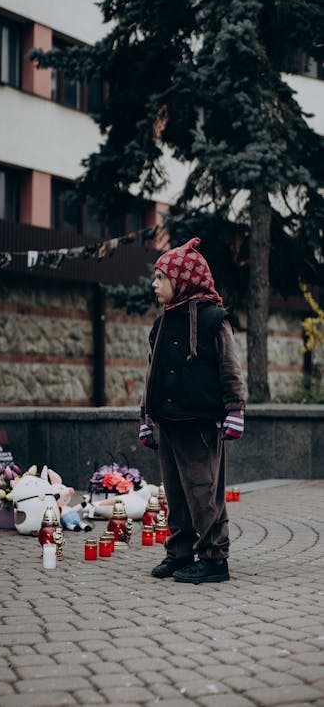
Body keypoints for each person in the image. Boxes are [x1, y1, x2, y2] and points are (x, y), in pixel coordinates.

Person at [139, 237, 246, 584]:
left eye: (161, 278)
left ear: (182, 280)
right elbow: (151, 375)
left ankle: (215, 558)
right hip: (168, 420)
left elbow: (230, 367)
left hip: (199, 421)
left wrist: (235, 409)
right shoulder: (162, 324)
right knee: (176, 494)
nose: (154, 285)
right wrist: (146, 417)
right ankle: (180, 552)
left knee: (203, 492)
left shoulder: (214, 320)